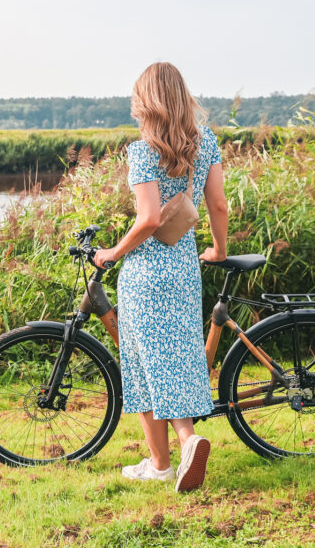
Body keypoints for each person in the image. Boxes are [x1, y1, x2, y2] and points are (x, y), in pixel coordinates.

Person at [92, 62, 228, 492]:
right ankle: (167, 458)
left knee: (144, 364)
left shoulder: (143, 150)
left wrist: (112, 252)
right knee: (176, 360)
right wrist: (219, 250)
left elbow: (149, 218)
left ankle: (176, 451)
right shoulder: (205, 143)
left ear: (146, 101)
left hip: (146, 274)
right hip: (185, 270)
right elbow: (219, 205)